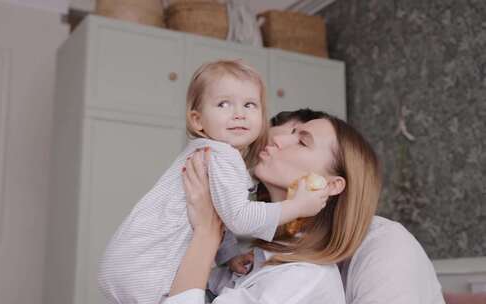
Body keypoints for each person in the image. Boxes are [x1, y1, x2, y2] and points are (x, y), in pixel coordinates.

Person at [97, 61, 328, 304]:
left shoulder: (208, 153)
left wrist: (228, 257)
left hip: (127, 263)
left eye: (249, 104)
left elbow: (221, 214)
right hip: (149, 269)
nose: (239, 113)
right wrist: (297, 206)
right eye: (223, 104)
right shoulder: (222, 156)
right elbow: (239, 217)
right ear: (197, 121)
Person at [165, 109, 445, 303]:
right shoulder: (254, 258)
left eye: (301, 140)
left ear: (330, 184)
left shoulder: (309, 275)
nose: (276, 140)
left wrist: (205, 234)